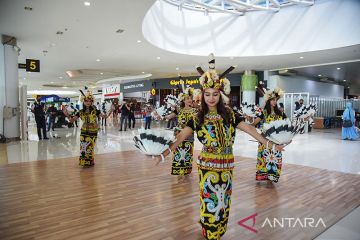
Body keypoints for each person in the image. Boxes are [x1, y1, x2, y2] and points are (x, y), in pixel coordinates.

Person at [158, 54, 284, 239]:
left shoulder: (230, 116)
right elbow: (179, 138)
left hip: (227, 165)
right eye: (207, 94)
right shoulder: (197, 117)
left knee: (224, 198)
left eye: (215, 94)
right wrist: (162, 153)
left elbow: (250, 129)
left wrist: (270, 145)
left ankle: (219, 229)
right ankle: (208, 229)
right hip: (207, 165)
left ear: (221, 94)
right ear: (202, 95)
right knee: (209, 196)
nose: (211, 98)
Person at [251, 88, 286, 183]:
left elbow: (287, 125)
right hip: (265, 141)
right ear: (268, 100)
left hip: (276, 141)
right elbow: (253, 124)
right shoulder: (264, 113)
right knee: (265, 159)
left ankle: (273, 176)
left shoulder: (281, 113)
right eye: (273, 100)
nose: (274, 102)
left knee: (275, 159)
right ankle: (265, 176)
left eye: (276, 100)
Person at [63, 90, 104, 167]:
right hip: (83, 131)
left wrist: (111, 110)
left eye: (89, 101)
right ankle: (84, 162)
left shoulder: (96, 111)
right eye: (86, 101)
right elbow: (72, 120)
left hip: (93, 131)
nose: (88, 102)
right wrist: (67, 114)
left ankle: (90, 162)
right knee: (83, 147)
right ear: (83, 102)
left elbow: (105, 117)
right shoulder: (80, 112)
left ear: (92, 102)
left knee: (90, 147)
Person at [167, 87, 197, 182]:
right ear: (183, 100)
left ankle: (186, 171)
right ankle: (179, 171)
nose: (189, 100)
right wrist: (161, 115)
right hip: (179, 135)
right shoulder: (179, 110)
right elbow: (169, 116)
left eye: (190, 98)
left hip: (189, 136)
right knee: (178, 153)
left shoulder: (195, 111)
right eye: (187, 98)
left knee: (188, 153)